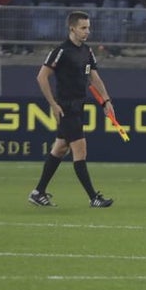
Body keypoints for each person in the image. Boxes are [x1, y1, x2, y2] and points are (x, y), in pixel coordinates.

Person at [28, 11, 115, 208]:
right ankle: (93, 197)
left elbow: (94, 77)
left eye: (88, 28)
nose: (87, 31)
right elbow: (42, 77)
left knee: (60, 148)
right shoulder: (61, 51)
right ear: (72, 28)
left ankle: (38, 192)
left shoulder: (87, 51)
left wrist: (106, 101)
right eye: (83, 28)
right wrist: (53, 104)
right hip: (66, 107)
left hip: (79, 105)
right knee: (80, 150)